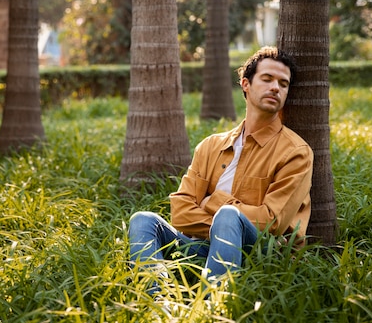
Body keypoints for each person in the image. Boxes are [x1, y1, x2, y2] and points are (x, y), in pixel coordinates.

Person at [128, 47, 313, 291]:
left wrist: (212, 203)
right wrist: (223, 225)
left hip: (262, 254)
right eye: (267, 79)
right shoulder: (211, 145)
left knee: (228, 215)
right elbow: (181, 211)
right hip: (202, 247)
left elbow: (272, 223)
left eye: (283, 83)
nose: (275, 88)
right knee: (143, 220)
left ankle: (212, 308)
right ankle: (157, 304)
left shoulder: (296, 152)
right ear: (246, 84)